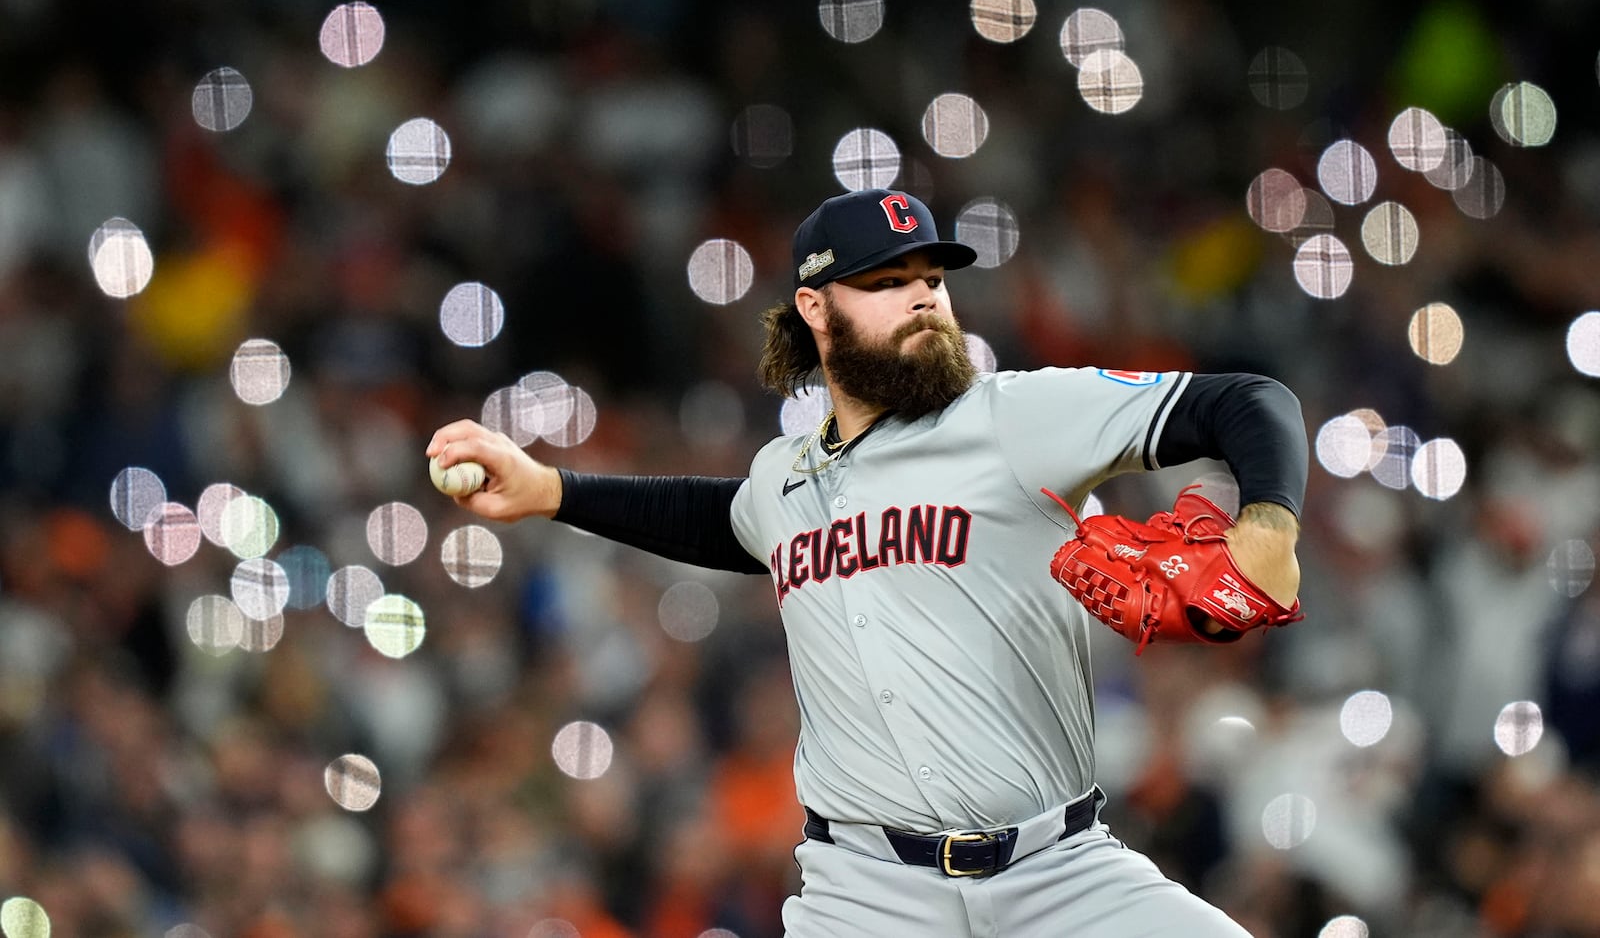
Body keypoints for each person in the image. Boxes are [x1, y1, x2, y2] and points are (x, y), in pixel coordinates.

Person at [427, 188, 1308, 937]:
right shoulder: (785, 478)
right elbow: (716, 518)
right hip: (867, 896)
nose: (924, 297)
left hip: (1062, 875)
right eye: (888, 282)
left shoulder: (1013, 417)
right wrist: (553, 488)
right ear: (817, 308)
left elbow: (1249, 402)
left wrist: (1267, 522)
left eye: (932, 278)